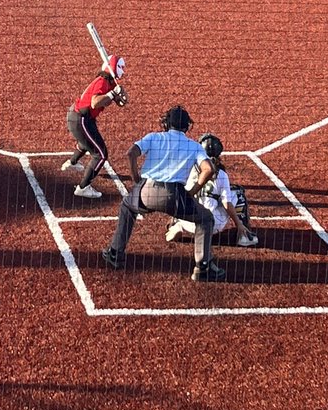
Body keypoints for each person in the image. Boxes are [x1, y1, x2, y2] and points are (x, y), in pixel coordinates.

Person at [101, 104, 226, 282]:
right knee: (205, 218)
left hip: (146, 191)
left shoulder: (154, 137)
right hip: (175, 196)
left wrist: (136, 178)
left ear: (166, 123)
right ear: (186, 126)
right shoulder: (194, 146)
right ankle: (202, 268)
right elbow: (208, 169)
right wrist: (192, 192)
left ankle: (115, 253)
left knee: (127, 207)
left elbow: (131, 153)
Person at [165, 132, 258, 247]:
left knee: (180, 191)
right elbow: (226, 203)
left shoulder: (187, 168)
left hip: (187, 221)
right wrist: (238, 224)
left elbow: (177, 192)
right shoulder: (221, 174)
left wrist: (174, 215)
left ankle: (176, 224)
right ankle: (244, 236)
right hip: (212, 225)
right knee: (237, 193)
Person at [61, 55, 128, 199]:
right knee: (101, 154)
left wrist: (118, 95)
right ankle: (83, 188)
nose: (123, 70)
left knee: (85, 142)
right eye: (121, 67)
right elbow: (94, 103)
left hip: (82, 118)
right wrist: (112, 94)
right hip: (80, 119)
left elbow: (122, 103)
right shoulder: (102, 81)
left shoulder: (110, 83)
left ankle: (72, 163)